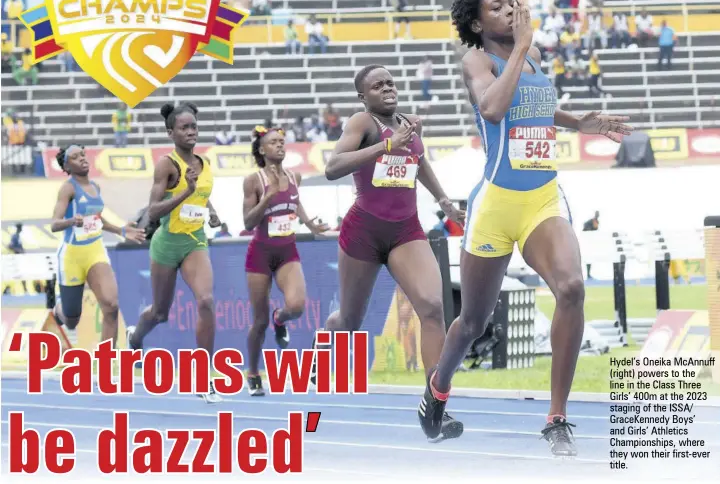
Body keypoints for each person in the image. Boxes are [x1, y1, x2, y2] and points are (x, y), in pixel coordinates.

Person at [418, 0, 633, 456]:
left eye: (511, 1)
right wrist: (518, 47)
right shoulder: (477, 61)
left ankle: (557, 418)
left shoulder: (532, 56)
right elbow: (493, 109)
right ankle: (438, 390)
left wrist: (579, 121)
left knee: (572, 288)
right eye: (496, 7)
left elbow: (531, 104)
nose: (509, 10)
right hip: (495, 203)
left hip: (541, 197)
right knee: (471, 323)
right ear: (476, 24)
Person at [320, 64, 466, 441]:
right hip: (364, 232)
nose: (387, 88)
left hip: (406, 230)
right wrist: (385, 145)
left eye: (390, 83)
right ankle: (328, 334)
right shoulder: (361, 122)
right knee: (350, 322)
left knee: (432, 307)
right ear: (363, 96)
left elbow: (420, 163)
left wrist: (445, 201)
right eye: (377, 85)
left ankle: (436, 407)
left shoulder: (408, 125)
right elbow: (332, 167)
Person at [125, 103, 223, 403]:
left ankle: (203, 377)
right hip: (167, 244)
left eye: (194, 126)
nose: (191, 131)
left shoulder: (204, 163)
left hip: (194, 241)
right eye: (184, 127)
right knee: (160, 313)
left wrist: (213, 213)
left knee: (206, 301)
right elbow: (153, 211)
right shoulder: (166, 165)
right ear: (171, 132)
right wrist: (184, 191)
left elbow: (202, 196)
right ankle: (136, 337)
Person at [242, 125, 329, 396]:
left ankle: (280, 319)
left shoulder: (295, 176)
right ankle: (253, 372)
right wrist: (266, 197)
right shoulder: (253, 180)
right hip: (260, 254)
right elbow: (247, 221)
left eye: (282, 141)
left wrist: (310, 224)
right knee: (259, 322)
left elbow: (295, 202)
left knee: (297, 306)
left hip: (287, 251)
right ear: (262, 149)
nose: (280, 145)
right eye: (274, 142)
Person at [50, 145, 145, 346]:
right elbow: (54, 224)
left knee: (111, 306)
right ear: (67, 166)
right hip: (72, 256)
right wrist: (70, 221)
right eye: (75, 157)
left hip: (95, 251)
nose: (82, 159)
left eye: (82, 154)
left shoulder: (96, 187)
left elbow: (97, 220)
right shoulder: (67, 188)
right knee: (72, 319)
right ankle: (59, 309)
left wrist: (121, 230)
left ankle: (105, 365)